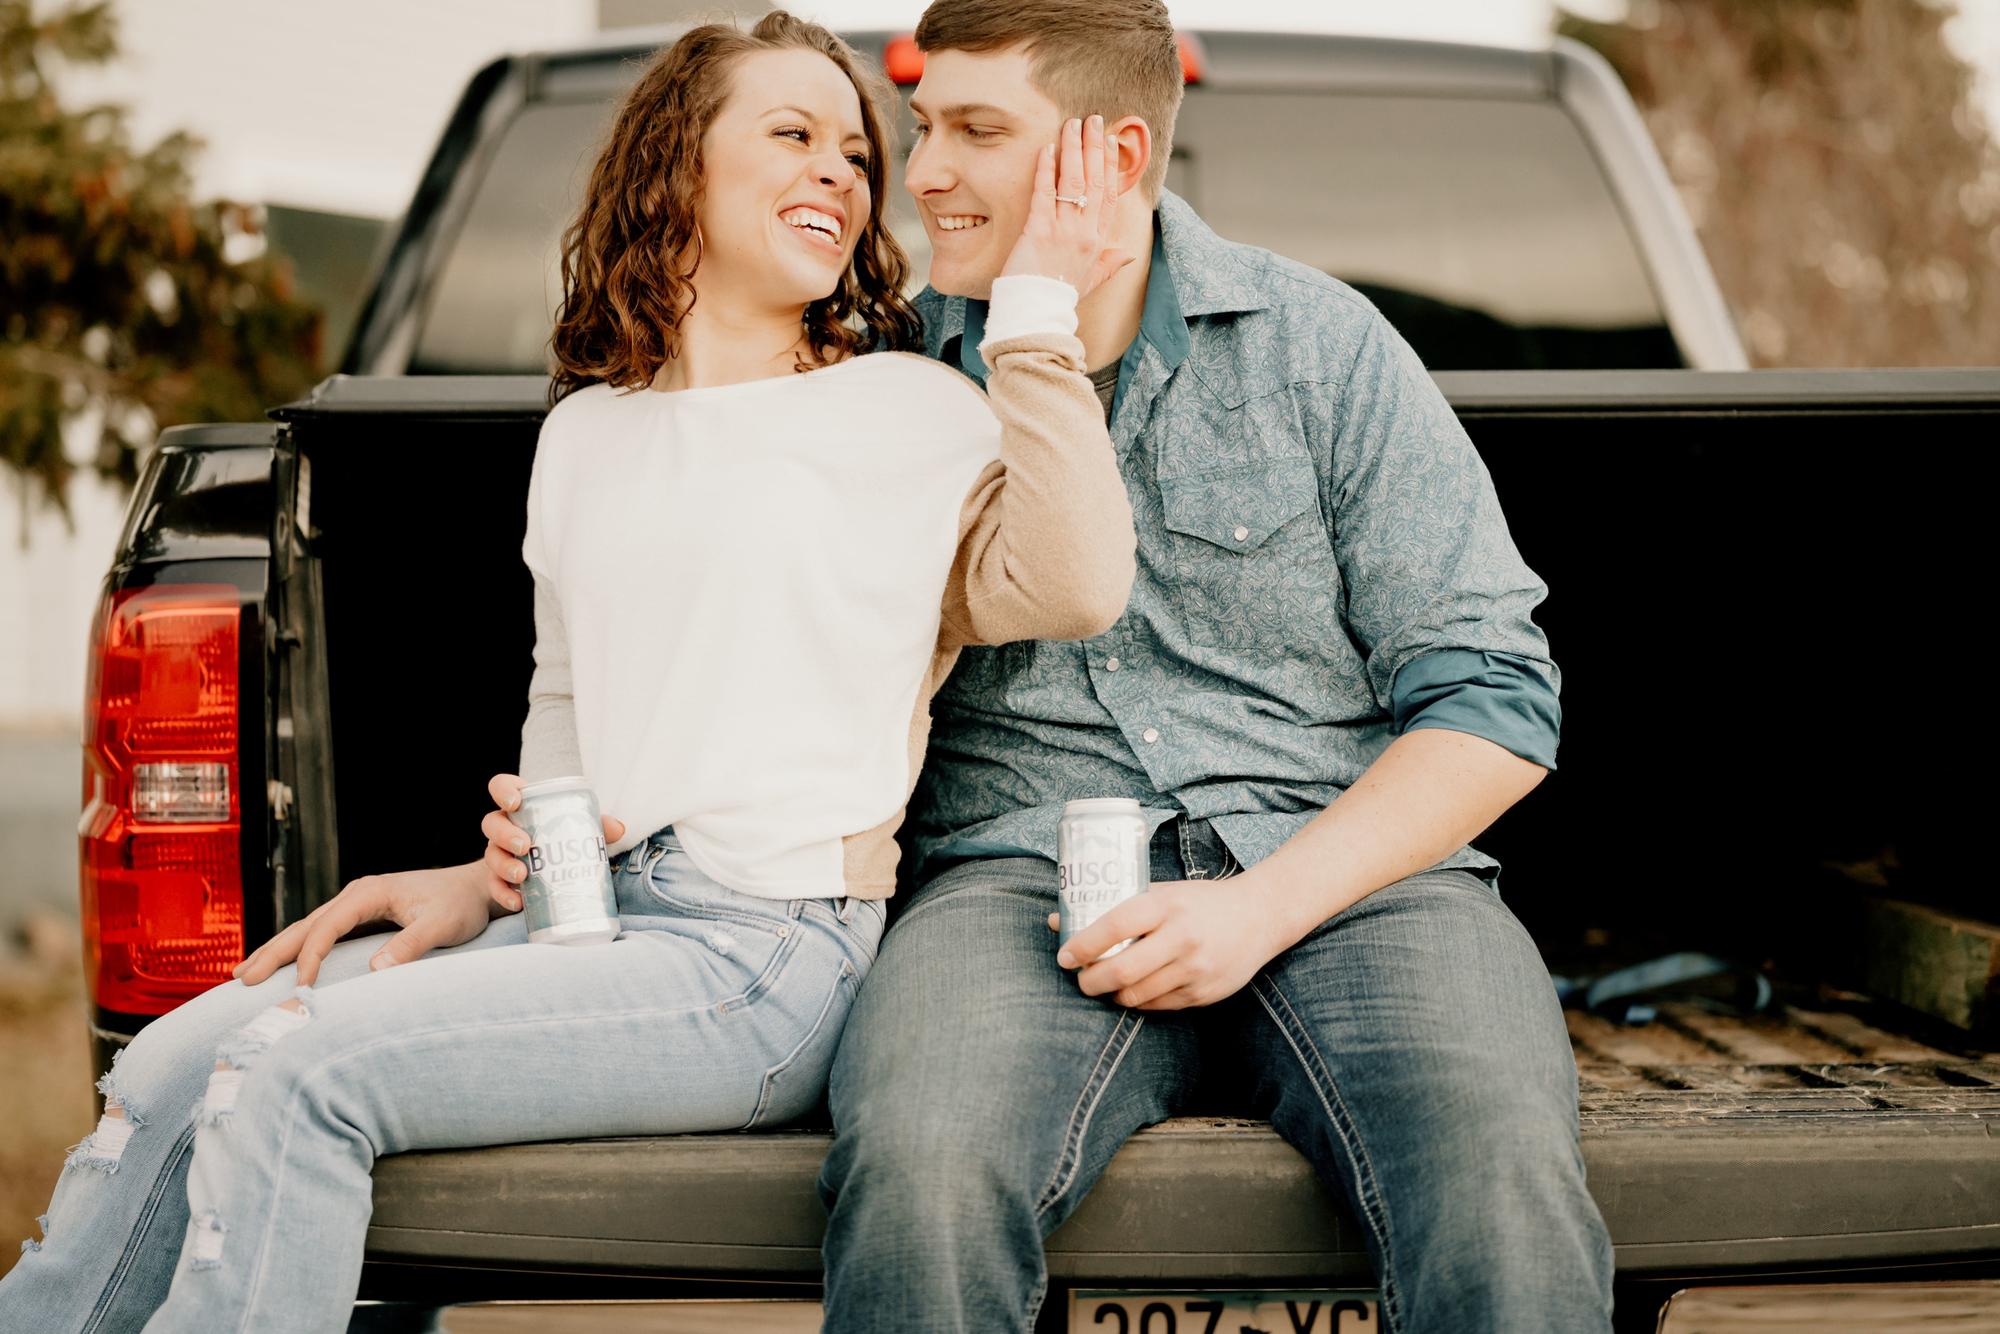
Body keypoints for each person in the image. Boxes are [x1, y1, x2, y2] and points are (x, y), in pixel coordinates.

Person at [0, 13, 1136, 1333]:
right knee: (171, 1066)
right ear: (678, 164)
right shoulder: (589, 433)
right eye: (792, 134)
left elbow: (1076, 580)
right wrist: (493, 876)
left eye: (854, 154)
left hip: (762, 955)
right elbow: (566, 701)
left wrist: (1037, 316)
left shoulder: (913, 412)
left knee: (292, 1071)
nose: (839, 168)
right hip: (586, 923)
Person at [797, 2, 1621, 1330]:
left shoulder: (1322, 346)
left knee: (1500, 1180)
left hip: (1352, 881)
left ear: (1116, 155)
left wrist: (1260, 908)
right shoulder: (887, 370)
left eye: (977, 130)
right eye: (922, 126)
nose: (925, 170)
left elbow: (1495, 701)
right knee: (920, 1174)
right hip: (1014, 886)